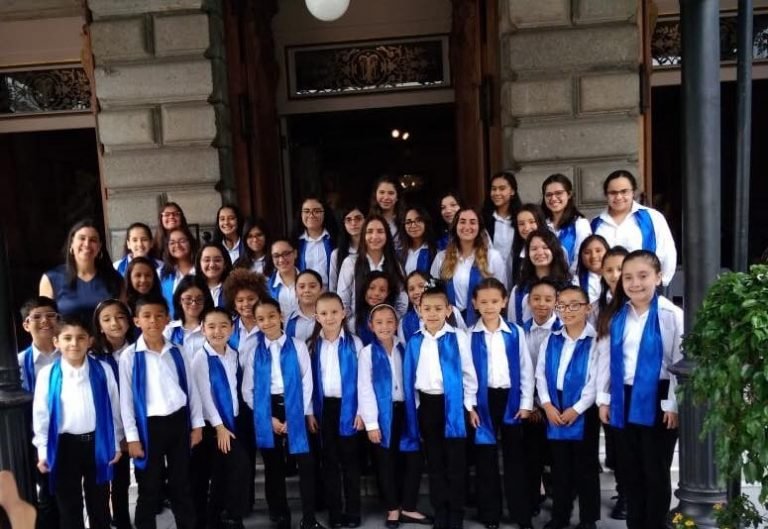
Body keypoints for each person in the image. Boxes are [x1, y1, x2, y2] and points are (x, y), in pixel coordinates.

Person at [596, 250, 682, 529]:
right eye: (628, 277)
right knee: (630, 470)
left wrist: (672, 404)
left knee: (655, 472)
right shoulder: (617, 315)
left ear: (658, 277)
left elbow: (679, 362)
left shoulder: (671, 315)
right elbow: (606, 360)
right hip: (624, 397)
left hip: (658, 399)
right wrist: (604, 399)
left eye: (643, 276)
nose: (635, 283)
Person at [119, 295, 204, 529]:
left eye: (159, 316)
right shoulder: (130, 357)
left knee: (181, 484)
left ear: (167, 319)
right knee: (149, 486)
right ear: (136, 321)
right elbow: (126, 402)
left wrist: (196, 425)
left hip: (178, 424)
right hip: (149, 428)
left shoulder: (177, 351)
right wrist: (133, 438)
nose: (153, 321)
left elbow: (191, 390)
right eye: (146, 316)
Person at [401, 282, 479, 529]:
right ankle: (441, 508)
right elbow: (410, 378)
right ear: (419, 310)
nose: (432, 313)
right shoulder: (415, 341)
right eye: (427, 308)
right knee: (434, 461)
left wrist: (469, 405)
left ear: (448, 311)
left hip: (454, 405)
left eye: (438, 308)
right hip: (428, 405)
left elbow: (468, 373)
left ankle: (455, 511)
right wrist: (415, 410)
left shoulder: (459, 338)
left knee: (455, 461)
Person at [241, 299, 325, 529]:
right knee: (273, 466)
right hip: (267, 409)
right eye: (260, 319)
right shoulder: (254, 352)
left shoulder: (297, 346)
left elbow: (307, 381)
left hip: (295, 405)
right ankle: (279, 515)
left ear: (280, 316)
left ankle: (309, 517)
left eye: (271, 316)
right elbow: (247, 390)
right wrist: (267, 418)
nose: (266, 322)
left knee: (306, 464)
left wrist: (297, 414)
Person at [33, 315, 122, 529]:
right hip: (64, 447)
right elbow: (41, 415)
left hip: (96, 444)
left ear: (90, 341)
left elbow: (114, 410)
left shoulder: (103, 370)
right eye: (67, 338)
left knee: (99, 503)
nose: (74, 343)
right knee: (69, 507)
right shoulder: (48, 375)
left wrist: (116, 443)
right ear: (57, 342)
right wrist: (43, 451)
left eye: (81, 338)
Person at [357, 303, 429, 528]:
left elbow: (415, 380)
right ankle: (392, 509)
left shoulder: (405, 348)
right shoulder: (367, 353)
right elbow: (365, 388)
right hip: (382, 415)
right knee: (385, 463)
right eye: (379, 322)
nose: (385, 326)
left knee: (413, 459)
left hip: (406, 412)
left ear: (396, 324)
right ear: (371, 326)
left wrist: (417, 411)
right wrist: (371, 423)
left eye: (389, 322)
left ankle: (408, 506)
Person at [469, 278, 534, 529]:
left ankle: (521, 514)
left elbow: (526, 369)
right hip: (482, 402)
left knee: (515, 460)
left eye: (494, 301)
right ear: (474, 304)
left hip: (511, 401)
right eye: (483, 302)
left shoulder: (515, 332)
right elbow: (467, 375)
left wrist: (527, 402)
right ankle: (490, 514)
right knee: (485, 459)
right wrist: (470, 406)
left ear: (504, 301)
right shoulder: (469, 334)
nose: (489, 306)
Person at [535, 285, 600, 529]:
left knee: (585, 468)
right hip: (555, 407)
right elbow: (540, 374)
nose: (567, 310)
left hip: (584, 410)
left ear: (588, 308)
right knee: (559, 468)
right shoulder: (551, 339)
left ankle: (588, 519)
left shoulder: (596, 341)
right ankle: (560, 516)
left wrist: (578, 408)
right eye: (562, 305)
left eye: (575, 305)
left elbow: (596, 380)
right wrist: (547, 405)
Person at [307, 292, 364, 528]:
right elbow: (308, 382)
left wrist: (362, 411)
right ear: (316, 316)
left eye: (334, 312)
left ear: (344, 313)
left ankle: (353, 511)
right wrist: (310, 412)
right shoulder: (312, 345)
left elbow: (363, 381)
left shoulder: (355, 344)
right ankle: (335, 512)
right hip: (324, 409)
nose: (329, 317)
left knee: (350, 462)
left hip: (350, 408)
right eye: (324, 313)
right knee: (329, 462)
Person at [190, 308, 250, 529]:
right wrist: (219, 427)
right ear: (203, 329)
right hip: (211, 426)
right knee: (238, 464)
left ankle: (219, 519)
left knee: (222, 474)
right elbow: (204, 397)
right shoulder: (201, 358)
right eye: (212, 326)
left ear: (232, 328)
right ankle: (231, 516)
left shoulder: (232, 354)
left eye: (223, 325)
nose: (218, 331)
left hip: (232, 422)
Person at [17, 297, 61, 529]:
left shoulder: (70, 354)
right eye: (37, 317)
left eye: (51, 316)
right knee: (46, 494)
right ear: (26, 325)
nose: (45, 321)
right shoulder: (19, 363)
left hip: (70, 430)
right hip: (37, 436)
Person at [591, 170, 677, 285]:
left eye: (624, 191)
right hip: (606, 291)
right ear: (606, 195)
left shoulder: (652, 217)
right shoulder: (596, 223)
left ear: (633, 192)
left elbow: (667, 252)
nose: (618, 197)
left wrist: (660, 282)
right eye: (613, 193)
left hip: (642, 288)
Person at [92, 299, 135, 529]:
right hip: (103, 427)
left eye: (119, 317)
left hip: (134, 425)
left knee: (122, 480)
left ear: (129, 321)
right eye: (106, 319)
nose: (114, 323)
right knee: (101, 480)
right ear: (99, 326)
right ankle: (102, 519)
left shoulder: (139, 350)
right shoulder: (93, 357)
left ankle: (121, 518)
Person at [521, 278, 561, 517]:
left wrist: (547, 404)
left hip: (557, 406)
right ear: (528, 301)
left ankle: (560, 500)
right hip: (532, 404)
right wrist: (532, 403)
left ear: (557, 302)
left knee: (558, 457)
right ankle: (533, 498)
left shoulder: (563, 329)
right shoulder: (520, 329)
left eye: (548, 299)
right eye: (536, 299)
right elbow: (521, 371)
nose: (542, 304)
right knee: (531, 456)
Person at [430, 208, 507, 327]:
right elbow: (433, 293)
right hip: (450, 325)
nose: (467, 226)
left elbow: (502, 293)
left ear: (479, 227)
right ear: (455, 226)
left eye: (472, 222)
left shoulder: (492, 257)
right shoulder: (441, 258)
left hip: (484, 324)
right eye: (462, 221)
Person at [39, 219, 123, 323]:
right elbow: (45, 321)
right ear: (71, 244)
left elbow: (122, 317)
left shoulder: (114, 279)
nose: (87, 244)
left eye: (93, 240)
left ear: (99, 246)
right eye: (82, 238)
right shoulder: (51, 278)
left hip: (105, 339)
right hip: (68, 338)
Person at [338, 214, 408, 319]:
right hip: (357, 329)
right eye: (369, 231)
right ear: (363, 236)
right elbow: (343, 300)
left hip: (387, 331)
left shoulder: (394, 263)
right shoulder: (351, 263)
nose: (375, 236)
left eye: (380, 231)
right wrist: (352, 325)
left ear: (387, 235)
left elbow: (402, 301)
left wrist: (390, 322)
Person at [508, 229, 571, 326]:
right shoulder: (519, 290)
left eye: (545, 247)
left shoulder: (568, 287)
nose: (540, 252)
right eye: (534, 249)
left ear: (554, 250)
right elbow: (514, 325)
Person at [541, 174, 592, 274]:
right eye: (549, 195)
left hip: (571, 284)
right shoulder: (541, 224)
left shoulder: (580, 224)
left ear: (569, 194)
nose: (553, 198)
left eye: (558, 193)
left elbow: (581, 259)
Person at [164, 275, 213, 360]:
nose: (193, 303)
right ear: (179, 300)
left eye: (199, 299)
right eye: (188, 298)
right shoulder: (169, 331)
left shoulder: (213, 329)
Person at [293, 196, 338, 288]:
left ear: (325, 213)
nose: (311, 215)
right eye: (306, 211)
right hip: (305, 295)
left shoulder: (335, 239)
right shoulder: (295, 243)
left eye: (317, 211)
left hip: (331, 295)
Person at [159, 226, 198, 319]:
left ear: (191, 243)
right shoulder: (161, 273)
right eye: (172, 242)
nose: (177, 245)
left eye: (182, 241)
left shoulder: (202, 269)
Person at [483, 172, 522, 261]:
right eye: (493, 189)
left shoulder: (521, 219)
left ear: (512, 191)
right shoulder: (483, 219)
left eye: (502, 189)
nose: (497, 193)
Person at [354, 271, 397, 345]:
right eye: (372, 288)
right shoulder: (355, 319)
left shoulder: (393, 316)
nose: (376, 293)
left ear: (388, 293)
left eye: (382, 290)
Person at [509, 204, 548, 287]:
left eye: (531, 222)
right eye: (521, 224)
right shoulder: (516, 253)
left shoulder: (553, 249)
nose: (526, 228)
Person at [329, 205, 365, 293]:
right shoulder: (336, 254)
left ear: (366, 220)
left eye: (358, 218)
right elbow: (333, 287)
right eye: (348, 220)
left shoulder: (374, 251)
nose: (353, 223)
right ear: (343, 224)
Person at [286, 269, 324, 343]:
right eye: (302, 287)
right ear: (295, 291)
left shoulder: (329, 317)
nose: (307, 290)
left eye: (312, 286)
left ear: (321, 290)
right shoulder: (287, 319)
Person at [370, 176, 405, 253]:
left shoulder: (405, 221)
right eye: (382, 192)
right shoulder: (368, 221)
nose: (386, 197)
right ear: (375, 194)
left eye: (391, 193)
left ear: (397, 196)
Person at [267, 239, 300, 317]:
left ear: (295, 253)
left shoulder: (309, 281)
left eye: (286, 254)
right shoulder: (267, 287)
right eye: (276, 256)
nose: (281, 260)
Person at [574, 235, 610, 304]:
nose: (593, 256)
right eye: (587, 252)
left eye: (598, 251)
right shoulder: (575, 281)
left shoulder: (617, 278)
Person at [401, 206, 437, 275]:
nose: (413, 225)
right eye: (408, 222)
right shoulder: (400, 252)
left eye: (418, 220)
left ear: (426, 223)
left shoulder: (435, 251)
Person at [195, 243, 232, 308]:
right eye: (207, 260)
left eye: (217, 260)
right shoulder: (193, 288)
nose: (212, 265)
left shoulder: (234, 288)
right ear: (199, 264)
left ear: (225, 264)